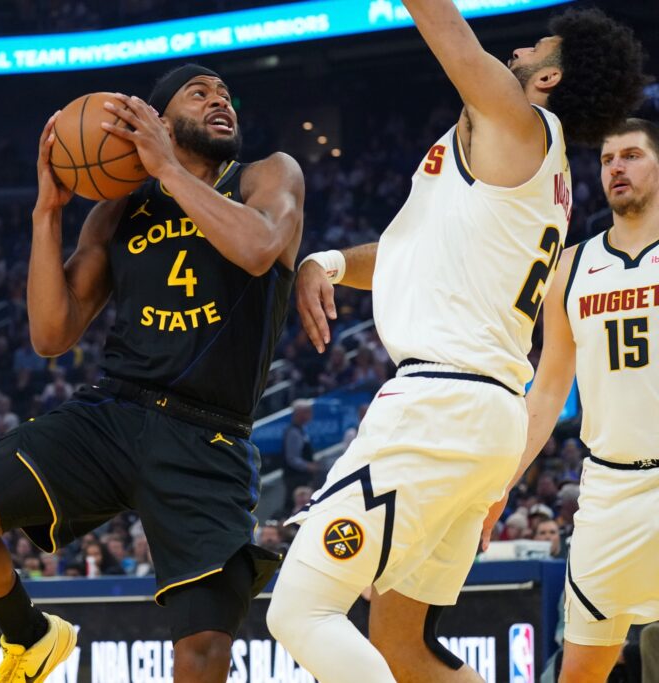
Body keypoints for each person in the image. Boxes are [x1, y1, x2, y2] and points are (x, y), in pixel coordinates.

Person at [271, 3, 647, 681]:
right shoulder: (511, 160)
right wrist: (326, 261)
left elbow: (442, 25)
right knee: (402, 647)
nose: (519, 49)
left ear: (550, 77)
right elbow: (404, 252)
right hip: (477, 416)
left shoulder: (516, 122)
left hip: (439, 407)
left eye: (536, 46)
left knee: (298, 611)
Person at [0, 63, 304, 682]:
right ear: (156, 121)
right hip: (115, 411)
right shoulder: (118, 209)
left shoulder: (267, 174)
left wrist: (168, 169)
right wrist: (47, 214)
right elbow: (51, 334)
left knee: (204, 653)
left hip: (208, 435)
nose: (220, 101)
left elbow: (261, 248)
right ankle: (31, 636)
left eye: (224, 94)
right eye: (199, 93)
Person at [481, 119, 659, 683]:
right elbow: (548, 392)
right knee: (579, 672)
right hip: (608, 490)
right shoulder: (572, 267)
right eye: (608, 159)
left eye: (631, 155)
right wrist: (500, 485)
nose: (616, 168)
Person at [281, 398, 318, 514]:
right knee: (295, 506)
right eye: (308, 411)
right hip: (295, 479)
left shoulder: (301, 430)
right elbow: (292, 458)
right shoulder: (293, 432)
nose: (310, 415)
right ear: (300, 413)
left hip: (300, 477)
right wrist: (309, 466)